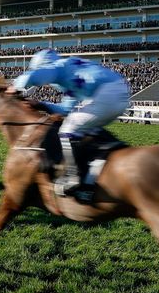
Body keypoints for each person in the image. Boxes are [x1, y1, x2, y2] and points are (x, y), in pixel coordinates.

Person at [8, 49, 130, 199]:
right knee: (88, 130)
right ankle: (92, 177)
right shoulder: (70, 75)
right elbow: (65, 110)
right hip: (119, 92)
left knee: (67, 129)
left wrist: (15, 85)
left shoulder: (58, 66)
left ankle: (74, 177)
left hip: (107, 93)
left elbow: (34, 77)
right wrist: (40, 104)